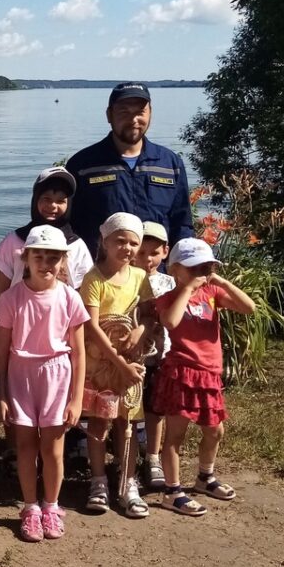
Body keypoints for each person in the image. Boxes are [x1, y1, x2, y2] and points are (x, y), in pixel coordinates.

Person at [0, 226, 89, 542]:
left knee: (53, 449)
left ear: (63, 261)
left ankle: (51, 505)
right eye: (39, 256)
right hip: (21, 375)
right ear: (27, 259)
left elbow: (79, 353)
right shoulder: (11, 299)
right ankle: (30, 507)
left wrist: (76, 399)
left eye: (53, 258)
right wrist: (2, 394)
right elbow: (1, 351)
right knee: (24, 447)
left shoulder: (70, 297)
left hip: (57, 376)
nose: (45, 264)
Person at [155, 238, 255, 516]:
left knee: (215, 430)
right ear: (175, 269)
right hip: (183, 372)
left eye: (206, 267)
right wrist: (187, 289)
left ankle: (204, 477)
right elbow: (171, 322)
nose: (201, 273)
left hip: (210, 374)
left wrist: (222, 282)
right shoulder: (169, 298)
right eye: (194, 268)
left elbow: (249, 308)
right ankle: (172, 491)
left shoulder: (213, 293)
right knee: (175, 434)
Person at [79, 213, 154, 519]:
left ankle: (127, 483)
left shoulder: (140, 278)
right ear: (105, 242)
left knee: (127, 424)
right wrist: (119, 363)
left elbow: (149, 314)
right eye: (120, 241)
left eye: (133, 243)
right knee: (98, 422)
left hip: (131, 363)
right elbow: (93, 326)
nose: (127, 248)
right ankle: (98, 482)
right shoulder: (94, 279)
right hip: (102, 365)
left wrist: (140, 330)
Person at [65, 83, 195, 258]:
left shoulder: (169, 164)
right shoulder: (83, 165)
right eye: (124, 112)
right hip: (101, 276)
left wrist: (184, 266)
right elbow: (68, 225)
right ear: (109, 115)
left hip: (155, 275)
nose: (133, 119)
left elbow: (182, 224)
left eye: (140, 112)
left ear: (150, 114)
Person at [0, 167, 94, 309]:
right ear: (35, 199)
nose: (52, 206)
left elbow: (81, 294)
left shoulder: (76, 245)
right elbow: (0, 292)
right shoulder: (14, 241)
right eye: (46, 199)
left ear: (69, 204)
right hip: (17, 321)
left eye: (60, 201)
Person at [133, 221, 175, 490]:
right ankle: (127, 458)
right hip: (133, 356)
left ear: (165, 252)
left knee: (155, 409)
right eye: (141, 252)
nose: (147, 259)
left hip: (161, 355)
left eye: (153, 252)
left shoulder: (169, 282)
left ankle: (152, 457)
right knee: (130, 409)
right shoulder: (127, 279)